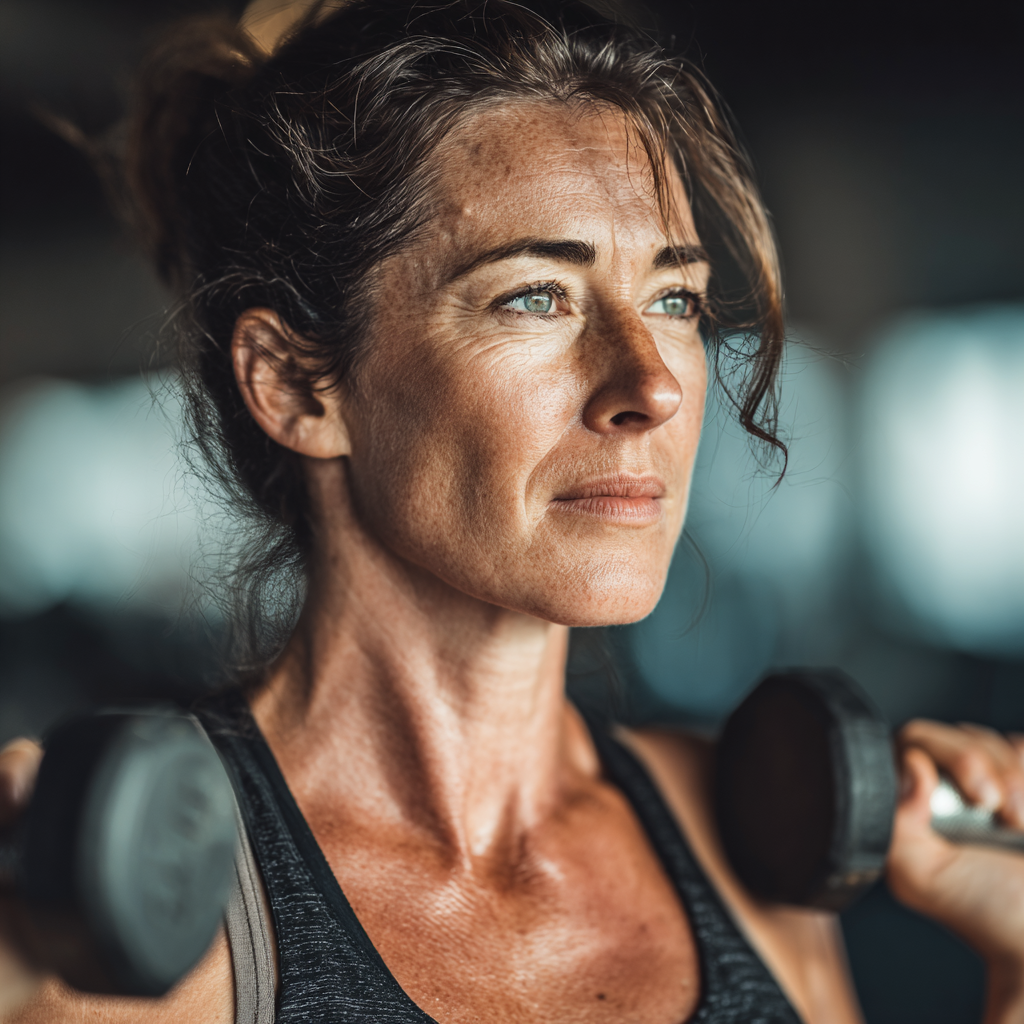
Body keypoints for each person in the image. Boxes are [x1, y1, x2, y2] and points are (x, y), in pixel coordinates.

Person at [1, 1, 1023, 1021]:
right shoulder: (138, 945)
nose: (654, 387)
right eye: (535, 295)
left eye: (673, 299)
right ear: (298, 386)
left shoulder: (743, 840)